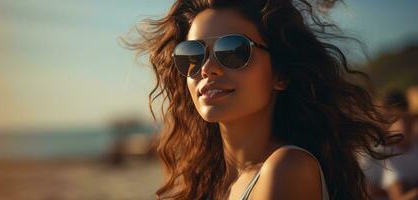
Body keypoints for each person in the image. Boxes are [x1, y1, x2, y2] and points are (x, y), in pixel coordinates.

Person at [126, 0, 399, 199]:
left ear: (280, 75)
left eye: (233, 50)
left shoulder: (286, 169)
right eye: (192, 55)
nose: (207, 68)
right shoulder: (210, 181)